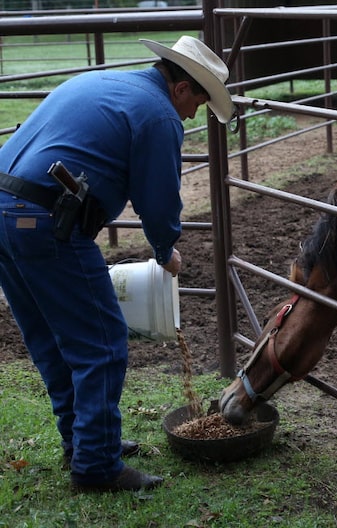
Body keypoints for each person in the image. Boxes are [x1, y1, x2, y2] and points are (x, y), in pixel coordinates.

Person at [0, 35, 233, 492]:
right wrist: (167, 250)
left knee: (52, 340)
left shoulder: (101, 83)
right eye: (199, 103)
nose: (192, 114)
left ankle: (85, 444)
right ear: (182, 88)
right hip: (46, 221)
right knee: (103, 343)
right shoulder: (160, 114)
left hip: (5, 210)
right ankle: (96, 467)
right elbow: (158, 197)